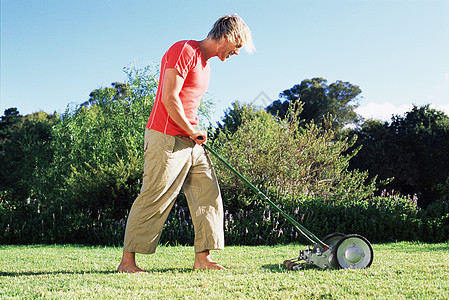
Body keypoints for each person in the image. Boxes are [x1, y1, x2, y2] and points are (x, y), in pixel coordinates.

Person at [117, 14, 255, 273]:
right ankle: (127, 263)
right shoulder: (184, 49)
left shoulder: (206, 65)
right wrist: (192, 130)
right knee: (154, 196)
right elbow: (170, 98)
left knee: (208, 193)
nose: (236, 53)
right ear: (229, 36)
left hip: (191, 142)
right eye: (237, 47)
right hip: (166, 137)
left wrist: (193, 133)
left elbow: (188, 102)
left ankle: (202, 259)